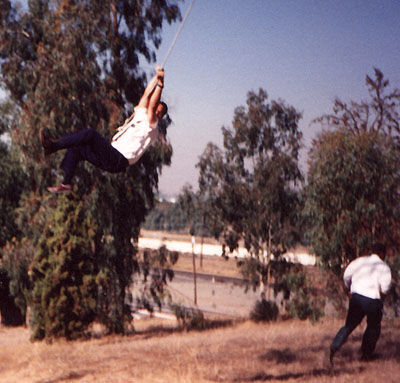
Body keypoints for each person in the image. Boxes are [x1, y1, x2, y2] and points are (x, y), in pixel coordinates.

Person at [39, 66, 168, 193]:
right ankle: (66, 182)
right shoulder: (142, 114)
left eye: (159, 112)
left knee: (91, 134)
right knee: (77, 147)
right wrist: (156, 78)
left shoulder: (152, 126)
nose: (156, 111)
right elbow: (147, 94)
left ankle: (54, 146)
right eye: (157, 108)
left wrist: (160, 85)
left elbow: (152, 105)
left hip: (119, 159)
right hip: (111, 156)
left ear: (160, 117)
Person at [329, 243, 392, 366]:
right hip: (373, 299)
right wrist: (381, 298)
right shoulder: (383, 267)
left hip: (357, 297)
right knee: (373, 327)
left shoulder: (359, 261)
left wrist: (348, 290)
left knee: (349, 325)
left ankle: (335, 346)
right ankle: (366, 354)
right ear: (382, 254)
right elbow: (385, 288)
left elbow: (346, 275)